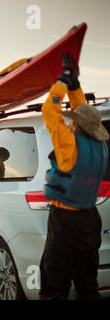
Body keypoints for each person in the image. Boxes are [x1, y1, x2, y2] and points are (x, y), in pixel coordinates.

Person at [39, 53, 109, 300]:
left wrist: (61, 81)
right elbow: (85, 113)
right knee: (86, 284)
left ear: (77, 126)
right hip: (90, 221)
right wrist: (75, 85)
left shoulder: (69, 143)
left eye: (74, 122)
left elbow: (50, 110)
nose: (71, 123)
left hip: (65, 223)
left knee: (53, 286)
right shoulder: (101, 147)